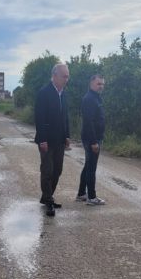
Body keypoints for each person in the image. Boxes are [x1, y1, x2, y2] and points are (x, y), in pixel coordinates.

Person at [34, 63, 71, 217]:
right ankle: (49, 200)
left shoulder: (64, 93)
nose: (67, 79)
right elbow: (39, 118)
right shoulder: (44, 92)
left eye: (68, 76)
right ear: (54, 76)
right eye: (64, 76)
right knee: (47, 170)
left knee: (58, 170)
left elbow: (65, 117)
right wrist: (42, 139)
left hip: (60, 140)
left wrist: (67, 135)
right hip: (47, 140)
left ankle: (46, 196)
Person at [77, 75, 106, 205]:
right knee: (91, 168)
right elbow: (88, 122)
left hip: (93, 137)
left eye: (102, 84)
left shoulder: (95, 98)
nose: (101, 86)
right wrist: (94, 141)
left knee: (88, 165)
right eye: (98, 84)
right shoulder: (89, 99)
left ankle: (81, 193)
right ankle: (92, 197)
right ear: (91, 84)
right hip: (91, 138)